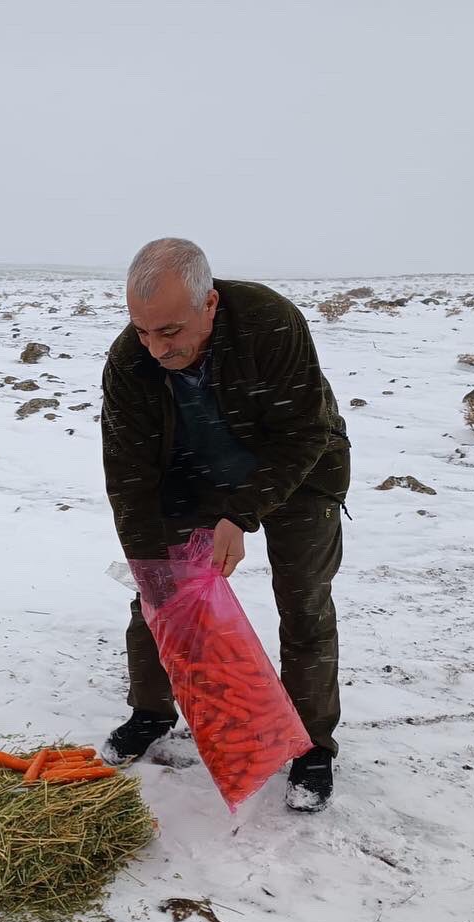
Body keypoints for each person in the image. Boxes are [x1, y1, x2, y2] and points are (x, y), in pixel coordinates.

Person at [99, 238, 351, 811]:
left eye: (170, 332)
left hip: (299, 472)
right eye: (142, 331)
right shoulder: (130, 361)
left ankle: (312, 746)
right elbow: (129, 477)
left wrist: (242, 514)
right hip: (191, 474)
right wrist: (149, 568)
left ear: (209, 304)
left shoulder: (270, 323)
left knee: (304, 601)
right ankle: (151, 711)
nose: (156, 348)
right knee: (158, 599)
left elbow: (305, 432)